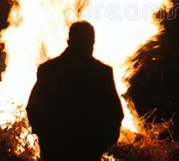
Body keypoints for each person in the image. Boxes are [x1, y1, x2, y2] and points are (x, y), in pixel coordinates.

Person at [26, 21, 124, 161]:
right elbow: (114, 114)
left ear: (69, 41)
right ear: (92, 43)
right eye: (86, 42)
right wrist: (101, 144)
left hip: (54, 150)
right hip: (86, 151)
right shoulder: (101, 72)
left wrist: (45, 137)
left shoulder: (48, 69)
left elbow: (33, 108)